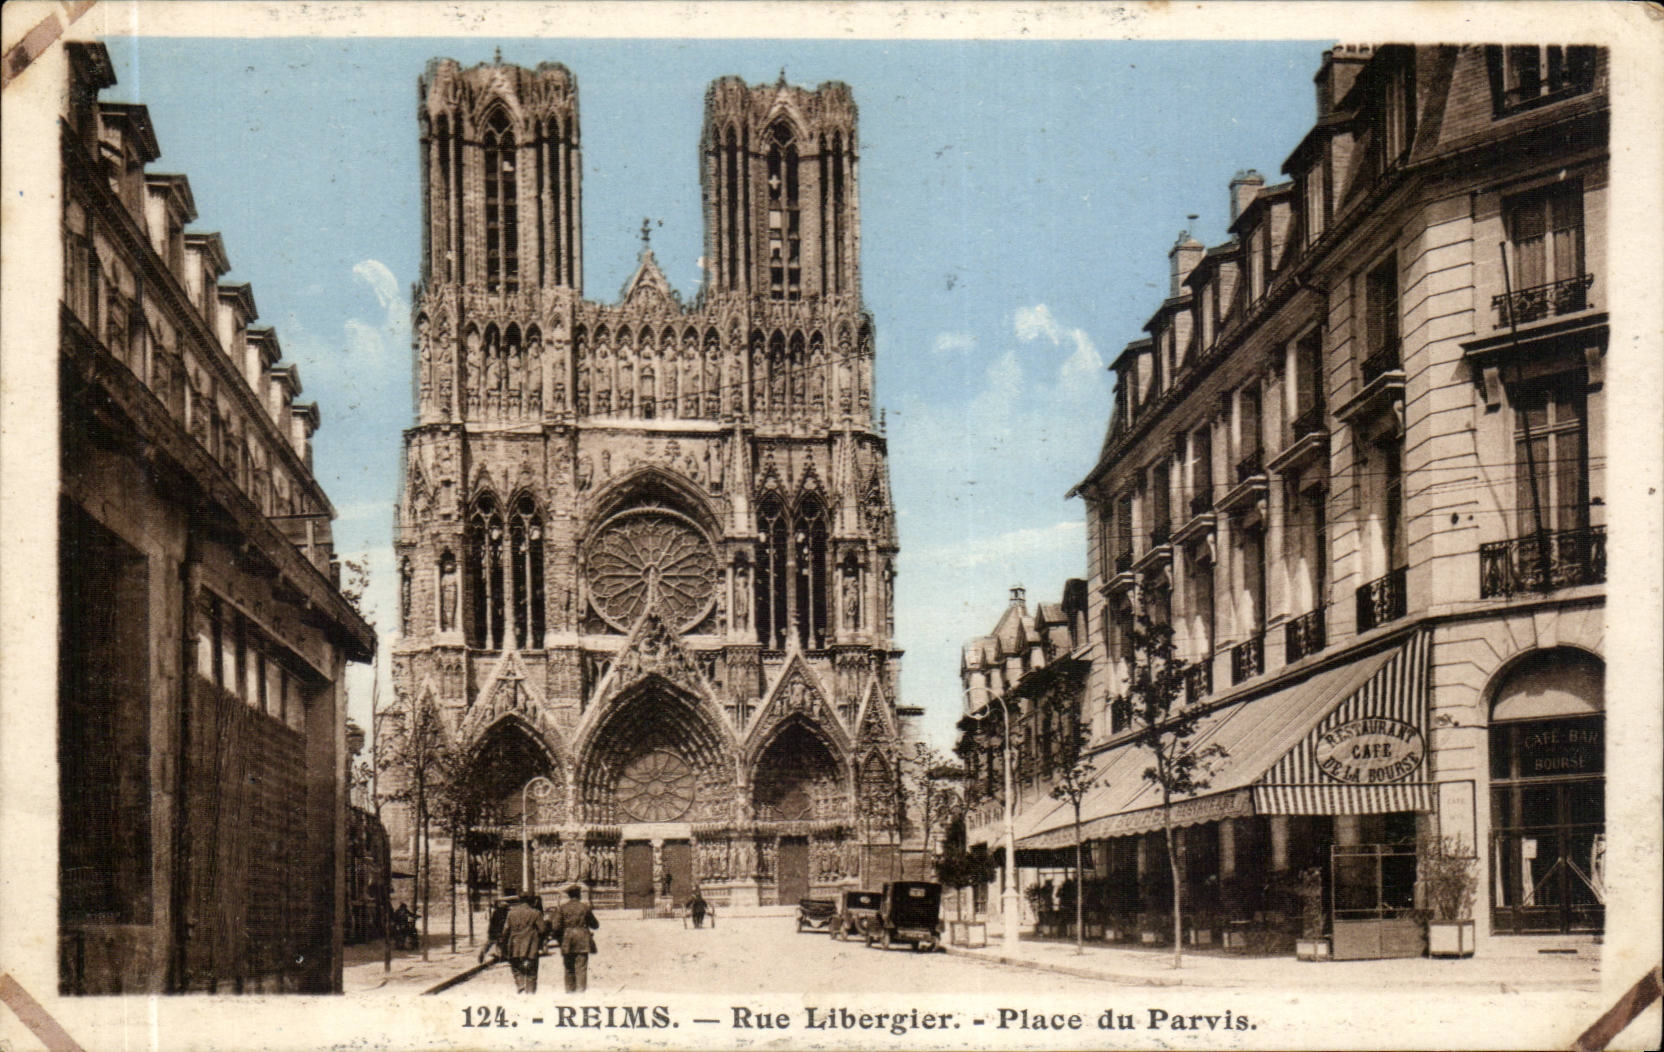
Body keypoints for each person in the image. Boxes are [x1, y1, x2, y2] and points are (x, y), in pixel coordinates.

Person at [550, 884, 600, 994]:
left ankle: (570, 992)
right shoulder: (584, 907)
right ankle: (580, 993)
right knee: (581, 968)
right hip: (582, 939)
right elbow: (595, 925)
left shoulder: (562, 908)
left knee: (569, 968)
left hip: (567, 939)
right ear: (579, 895)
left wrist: (560, 938)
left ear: (569, 895)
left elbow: (556, 927)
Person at [501, 893, 549, 994]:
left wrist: (504, 943)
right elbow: (542, 929)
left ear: (519, 900)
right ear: (531, 901)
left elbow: (505, 930)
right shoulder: (536, 913)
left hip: (514, 946)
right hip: (530, 947)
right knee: (531, 973)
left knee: (516, 967)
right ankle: (530, 994)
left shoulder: (511, 913)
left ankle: (520, 983)